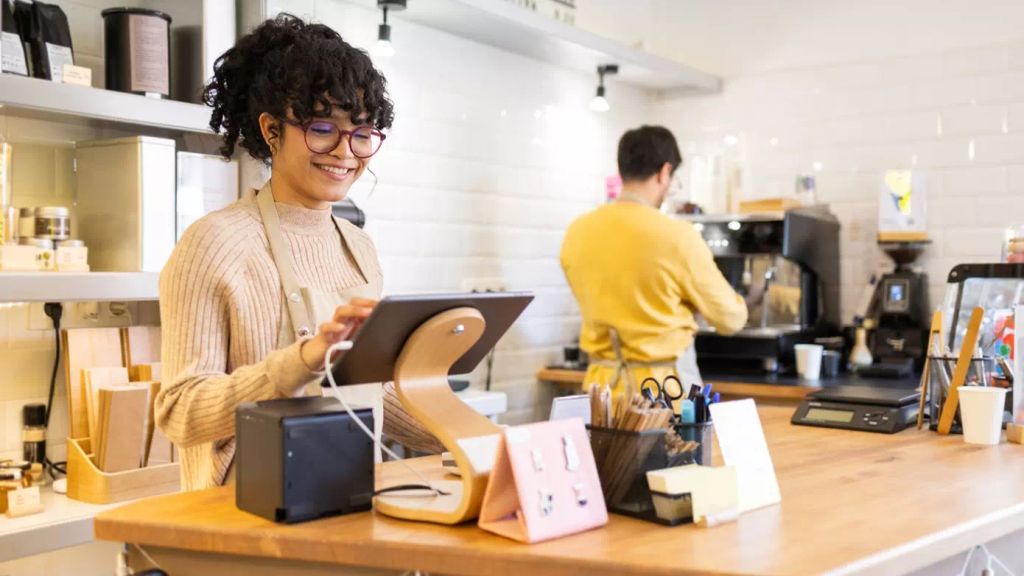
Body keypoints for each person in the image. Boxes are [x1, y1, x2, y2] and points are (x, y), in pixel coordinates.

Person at [156, 15, 424, 491]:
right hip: (242, 519)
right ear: (272, 130)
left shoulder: (359, 247)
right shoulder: (214, 243)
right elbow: (180, 412)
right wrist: (299, 362)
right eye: (322, 128)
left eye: (362, 133)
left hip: (349, 502)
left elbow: (370, 392)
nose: (345, 152)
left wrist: (481, 437)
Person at [560, 125, 749, 402]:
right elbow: (730, 318)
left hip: (600, 395)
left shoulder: (577, 232)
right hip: (663, 393)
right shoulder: (677, 236)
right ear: (664, 172)